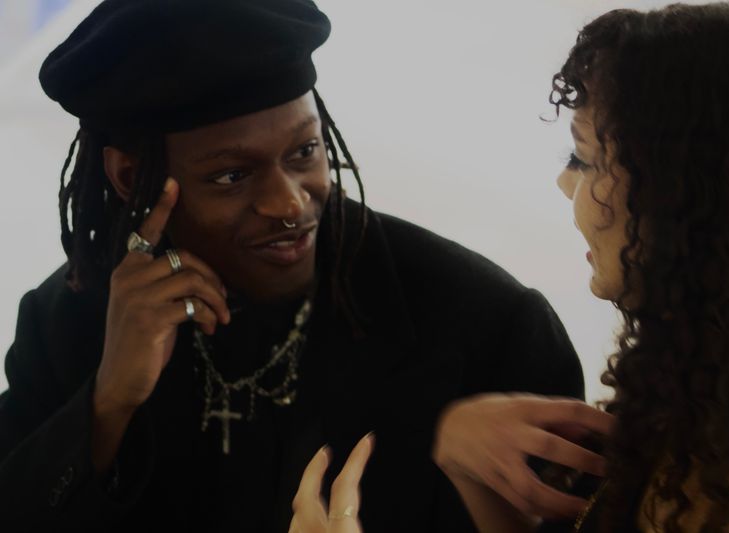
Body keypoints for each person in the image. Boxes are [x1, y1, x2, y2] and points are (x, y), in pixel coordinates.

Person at [0, 1, 609, 531]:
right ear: (132, 178)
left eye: (304, 152)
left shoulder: (484, 326)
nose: (289, 202)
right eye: (231, 176)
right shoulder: (68, 321)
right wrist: (107, 404)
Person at [297, 2, 729, 532]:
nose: (566, 184)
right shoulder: (714, 403)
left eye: (584, 158)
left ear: (688, 196)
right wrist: (463, 456)